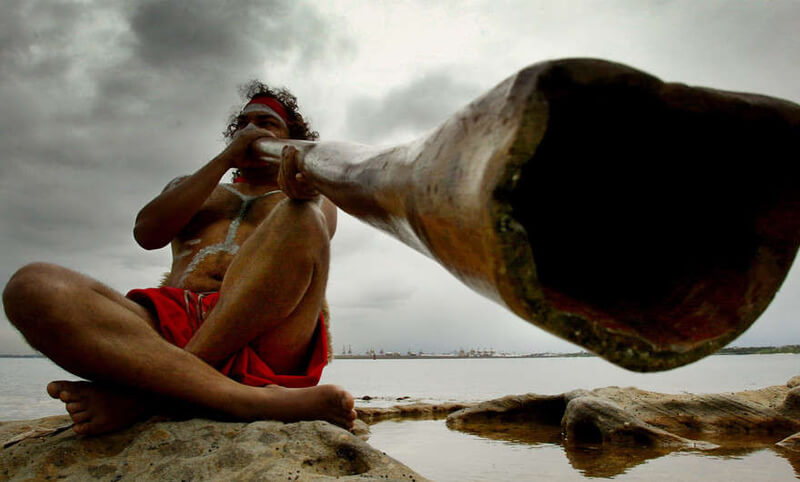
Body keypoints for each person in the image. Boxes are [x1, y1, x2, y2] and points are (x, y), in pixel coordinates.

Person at [2, 83, 357, 435]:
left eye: (266, 123)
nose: (251, 130)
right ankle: (242, 399)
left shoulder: (309, 192)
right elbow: (147, 234)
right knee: (32, 287)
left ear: (290, 138)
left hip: (268, 331)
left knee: (302, 216)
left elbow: (315, 232)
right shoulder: (196, 185)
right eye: (242, 124)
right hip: (169, 329)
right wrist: (223, 161)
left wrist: (302, 184)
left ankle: (146, 399)